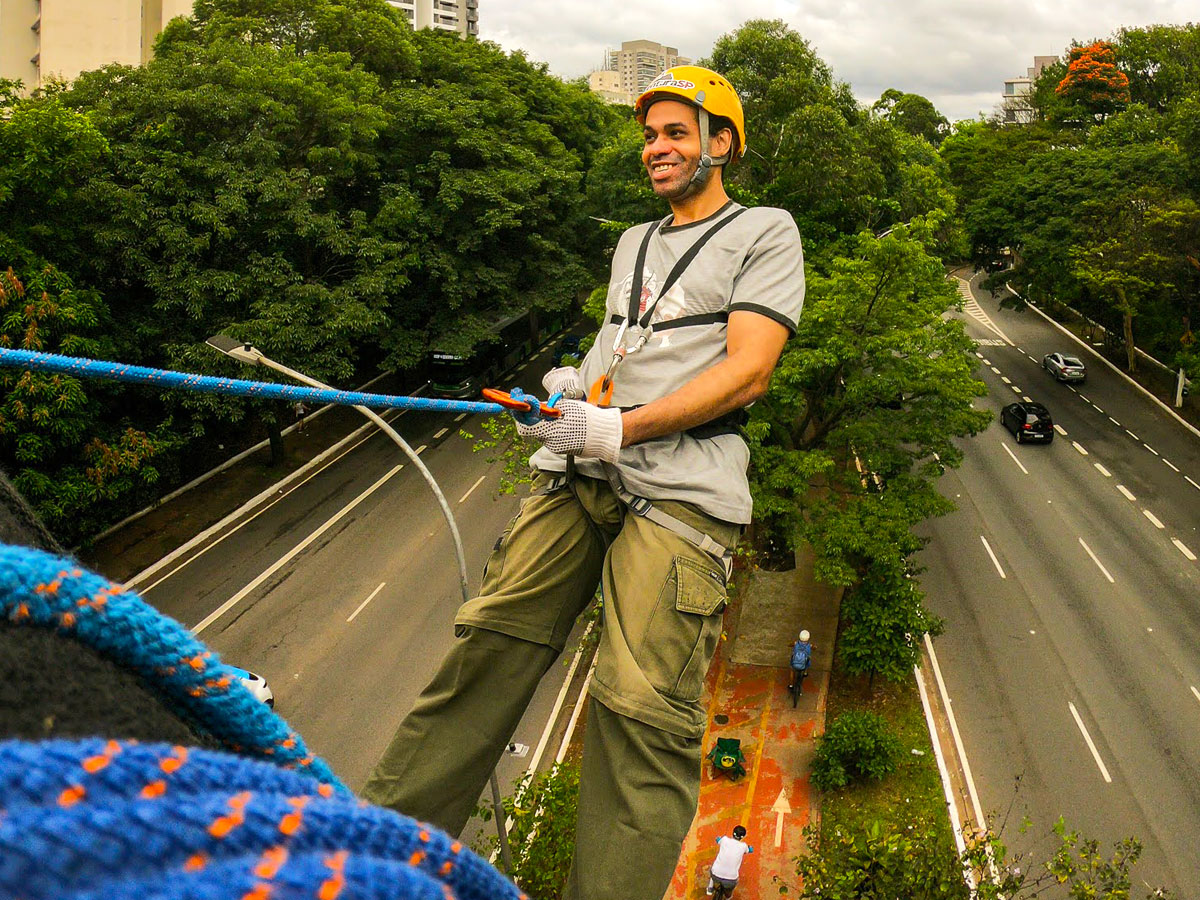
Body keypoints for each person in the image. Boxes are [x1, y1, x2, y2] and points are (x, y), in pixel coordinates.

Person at [362, 64, 805, 899]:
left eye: (676, 133)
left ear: (723, 144)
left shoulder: (765, 232)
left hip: (679, 486)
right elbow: (624, 347)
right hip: (582, 466)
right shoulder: (633, 242)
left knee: (637, 707)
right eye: (650, 135)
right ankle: (371, 866)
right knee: (488, 646)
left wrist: (624, 426)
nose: (656, 149)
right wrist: (573, 393)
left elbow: (747, 371)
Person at [708, 824, 753, 896]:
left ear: (733, 833)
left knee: (713, 871)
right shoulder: (743, 846)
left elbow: (718, 840)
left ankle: (710, 889)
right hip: (730, 880)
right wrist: (750, 849)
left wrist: (718, 839)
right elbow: (749, 850)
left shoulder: (724, 839)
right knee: (729, 890)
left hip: (715, 875)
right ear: (742, 837)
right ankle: (728, 896)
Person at [790, 628, 813, 694]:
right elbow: (815, 647)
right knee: (808, 661)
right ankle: (805, 672)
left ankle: (791, 684)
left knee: (791, 670)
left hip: (795, 664)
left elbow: (789, 644)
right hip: (804, 664)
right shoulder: (809, 645)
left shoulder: (795, 643)